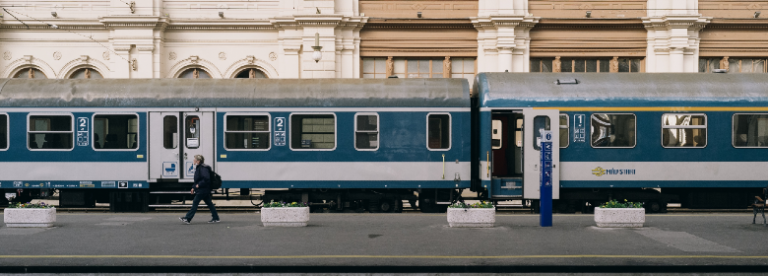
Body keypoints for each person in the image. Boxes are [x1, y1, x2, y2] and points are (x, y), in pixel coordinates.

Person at [179, 155, 220, 224]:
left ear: (198, 161)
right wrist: (193, 187)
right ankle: (216, 218)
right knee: (209, 204)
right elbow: (198, 180)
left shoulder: (203, 168)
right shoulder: (200, 168)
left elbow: (206, 179)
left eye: (194, 159)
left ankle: (187, 218)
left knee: (195, 203)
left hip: (202, 189)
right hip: (204, 189)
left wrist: (198, 185)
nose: (193, 160)